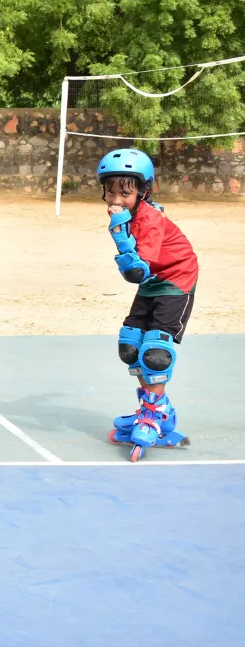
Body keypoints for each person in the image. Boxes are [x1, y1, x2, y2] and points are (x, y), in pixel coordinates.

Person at [98, 149, 198, 461]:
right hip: (153, 281)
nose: (116, 199)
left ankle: (153, 415)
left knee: (155, 353)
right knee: (130, 346)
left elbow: (136, 271)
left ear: (144, 191)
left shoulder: (151, 220)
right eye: (110, 191)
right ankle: (155, 409)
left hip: (177, 279)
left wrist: (119, 233)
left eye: (125, 193)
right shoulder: (128, 216)